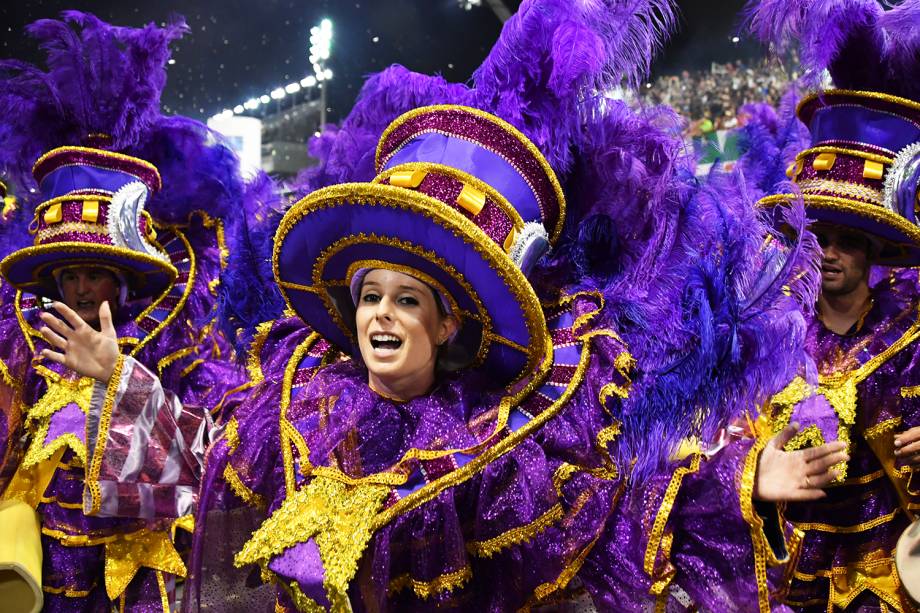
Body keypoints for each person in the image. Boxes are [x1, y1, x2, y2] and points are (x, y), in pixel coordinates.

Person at [51, 2, 852, 610]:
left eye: (407, 299)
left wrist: (747, 480)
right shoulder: (298, 404)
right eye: (369, 295)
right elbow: (202, 466)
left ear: (451, 322)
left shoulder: (515, 439)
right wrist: (119, 378)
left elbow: (623, 509)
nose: (381, 316)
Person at [0, 13, 252, 612]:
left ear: (124, 279)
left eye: (96, 273)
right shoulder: (24, 346)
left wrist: (118, 378)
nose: (83, 290)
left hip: (135, 588)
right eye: (70, 274)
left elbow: (216, 462)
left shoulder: (183, 348)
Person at [747, 0, 920, 608]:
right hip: (795, 580)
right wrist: (757, 482)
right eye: (821, 236)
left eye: (849, 240)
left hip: (891, 579)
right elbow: (743, 451)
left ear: (872, 249)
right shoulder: (775, 336)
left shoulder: (910, 334)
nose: (831, 253)